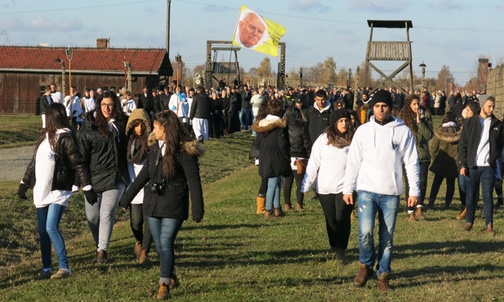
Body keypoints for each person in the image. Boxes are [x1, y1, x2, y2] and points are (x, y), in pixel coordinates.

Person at [119, 110, 204, 300]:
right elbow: (143, 177)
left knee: (166, 243)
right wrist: (126, 199)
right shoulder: (155, 148)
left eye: (156, 127)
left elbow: (194, 180)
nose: (153, 130)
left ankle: (163, 285)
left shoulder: (184, 152)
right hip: (153, 204)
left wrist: (197, 209)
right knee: (159, 246)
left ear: (164, 128)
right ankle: (171, 274)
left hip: (174, 204)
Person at [343, 89, 419, 291]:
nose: (380, 109)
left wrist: (414, 191)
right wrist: (348, 188)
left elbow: (411, 162)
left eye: (383, 106)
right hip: (367, 189)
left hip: (390, 192)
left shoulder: (402, 131)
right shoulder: (363, 131)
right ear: (372, 107)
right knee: (365, 231)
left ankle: (383, 274)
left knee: (387, 237)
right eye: (376, 106)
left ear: (390, 107)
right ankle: (365, 265)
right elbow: (353, 161)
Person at [17, 102, 97, 280]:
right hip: (41, 190)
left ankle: (64, 267)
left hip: (58, 190)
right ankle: (46, 268)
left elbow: (78, 163)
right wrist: (24, 182)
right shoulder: (44, 138)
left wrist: (88, 186)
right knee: (43, 232)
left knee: (51, 227)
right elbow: (34, 162)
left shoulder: (65, 138)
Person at [78, 91, 130, 264]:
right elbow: (81, 158)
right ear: (98, 106)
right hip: (93, 178)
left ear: (115, 106)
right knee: (93, 217)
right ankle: (99, 242)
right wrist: (85, 185)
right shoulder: (88, 127)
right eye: (103, 105)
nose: (107, 108)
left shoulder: (121, 125)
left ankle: (102, 251)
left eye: (110, 105)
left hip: (115, 177)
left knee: (107, 213)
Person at [302, 109, 354, 259]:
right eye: (340, 121)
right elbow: (313, 163)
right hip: (325, 187)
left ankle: (341, 249)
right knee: (331, 220)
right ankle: (334, 246)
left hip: (346, 188)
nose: (344, 124)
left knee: (343, 218)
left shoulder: (353, 140)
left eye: (346, 120)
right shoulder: (323, 140)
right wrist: (306, 184)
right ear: (334, 123)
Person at [458, 96, 504, 235]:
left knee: (487, 196)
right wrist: (463, 164)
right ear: (482, 106)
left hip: (488, 167)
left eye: (493, 106)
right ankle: (469, 221)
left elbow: (500, 144)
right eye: (489, 106)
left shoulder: (497, 124)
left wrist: (493, 158)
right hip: (473, 166)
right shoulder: (470, 123)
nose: (491, 109)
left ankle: (489, 224)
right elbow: (463, 145)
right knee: (471, 196)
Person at [397, 94, 433, 221]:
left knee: (422, 183)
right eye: (414, 104)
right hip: (408, 156)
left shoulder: (425, 117)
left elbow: (429, 136)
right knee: (410, 183)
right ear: (409, 105)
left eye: (418, 104)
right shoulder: (402, 119)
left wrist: (420, 122)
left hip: (422, 155)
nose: (417, 106)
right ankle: (410, 211)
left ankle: (419, 209)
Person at [253, 98, 291, 218]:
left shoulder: (262, 125)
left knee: (276, 182)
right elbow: (283, 144)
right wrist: (287, 157)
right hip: (276, 157)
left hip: (265, 156)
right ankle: (269, 210)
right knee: (273, 184)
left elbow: (257, 143)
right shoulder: (280, 126)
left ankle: (277, 207)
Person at [124, 109, 153, 264]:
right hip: (133, 186)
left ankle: (145, 251)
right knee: (136, 221)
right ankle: (138, 241)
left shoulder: (150, 141)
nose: (139, 129)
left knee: (149, 220)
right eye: (136, 125)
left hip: (148, 186)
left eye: (142, 125)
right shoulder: (128, 142)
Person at [426, 111, 460, 210]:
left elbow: (433, 147)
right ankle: (447, 204)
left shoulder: (440, 131)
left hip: (441, 161)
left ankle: (431, 202)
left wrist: (435, 157)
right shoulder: (458, 131)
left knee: (436, 182)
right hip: (454, 162)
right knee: (451, 183)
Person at [284, 99, 311, 211]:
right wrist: (309, 155)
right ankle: (299, 204)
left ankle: (287, 204)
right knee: (300, 181)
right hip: (300, 155)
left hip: (287, 156)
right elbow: (306, 142)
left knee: (288, 181)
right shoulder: (301, 127)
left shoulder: (284, 128)